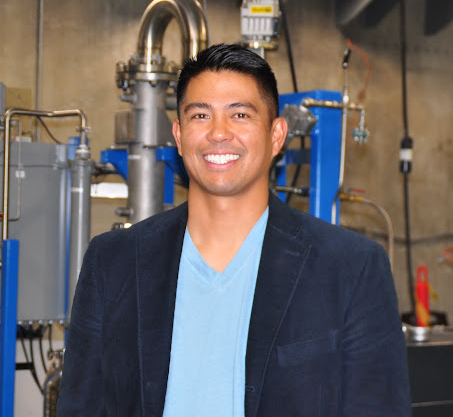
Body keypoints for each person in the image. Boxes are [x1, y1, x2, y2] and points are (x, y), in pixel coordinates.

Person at [57, 43, 411, 416]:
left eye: (240, 114)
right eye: (200, 115)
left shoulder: (351, 268)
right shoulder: (113, 262)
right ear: (178, 135)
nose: (218, 133)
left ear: (276, 135)